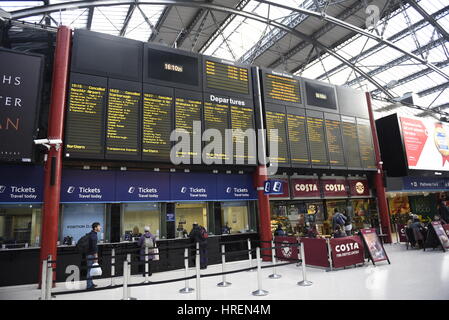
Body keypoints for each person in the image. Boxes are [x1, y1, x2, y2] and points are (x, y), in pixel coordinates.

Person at [86, 222, 101, 290]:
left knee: (91, 270)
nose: (100, 228)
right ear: (95, 228)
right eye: (99, 226)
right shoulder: (94, 236)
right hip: (91, 255)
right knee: (89, 270)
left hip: (89, 254)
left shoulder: (91, 234)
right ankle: (89, 286)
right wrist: (96, 257)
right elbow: (94, 247)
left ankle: (91, 283)